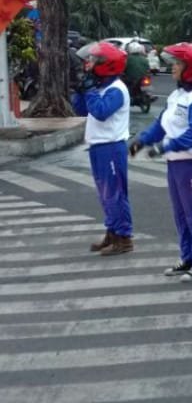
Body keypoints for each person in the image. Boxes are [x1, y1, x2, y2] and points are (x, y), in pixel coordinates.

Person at [129, 43, 192, 282]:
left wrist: (165, 146)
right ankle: (187, 258)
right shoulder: (177, 96)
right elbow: (160, 125)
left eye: (178, 64)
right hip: (176, 163)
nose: (173, 67)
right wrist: (142, 141)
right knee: (181, 214)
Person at [71, 41, 134, 256]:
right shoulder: (102, 87)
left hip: (111, 147)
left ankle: (124, 238)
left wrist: (89, 90)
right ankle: (112, 231)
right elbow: (81, 110)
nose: (90, 64)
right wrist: (81, 91)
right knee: (105, 195)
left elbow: (100, 111)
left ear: (107, 65)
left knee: (115, 194)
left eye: (95, 60)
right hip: (98, 146)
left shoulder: (116, 90)